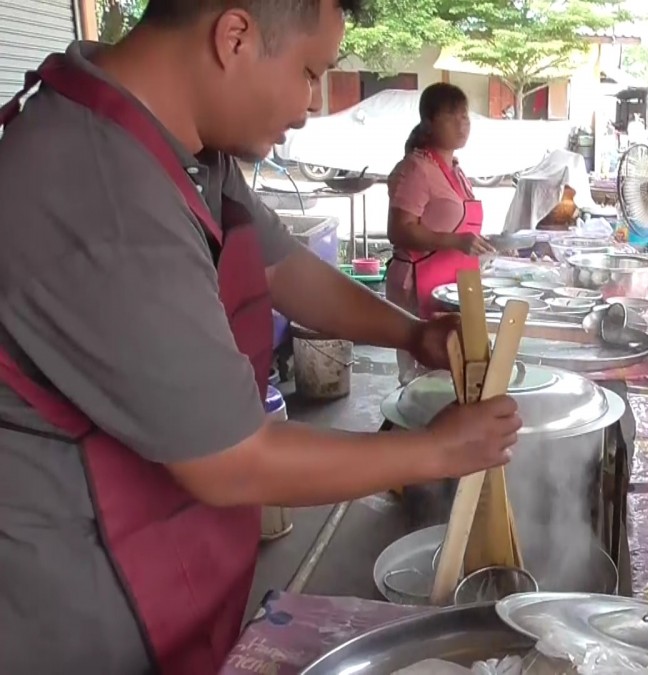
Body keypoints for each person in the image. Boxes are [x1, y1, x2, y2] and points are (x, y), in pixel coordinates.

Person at [0, 2, 521, 673]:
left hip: (180, 564)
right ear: (235, 36)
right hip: (91, 614)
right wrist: (438, 450)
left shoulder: (179, 144)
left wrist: (414, 333)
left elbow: (282, 266)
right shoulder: (100, 194)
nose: (308, 107)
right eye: (309, 72)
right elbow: (235, 459)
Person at [385, 83, 496, 323]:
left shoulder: (455, 169)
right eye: (451, 116)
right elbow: (398, 230)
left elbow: (454, 223)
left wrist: (483, 244)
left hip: (454, 284)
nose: (462, 123)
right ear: (429, 122)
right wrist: (456, 241)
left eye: (465, 115)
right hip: (418, 283)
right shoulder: (417, 168)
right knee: (426, 356)